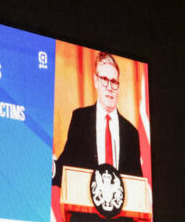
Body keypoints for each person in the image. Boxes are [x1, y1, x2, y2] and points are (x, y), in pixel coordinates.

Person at [52, 53, 143, 189]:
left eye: (114, 82)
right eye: (104, 80)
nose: (109, 88)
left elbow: (136, 183)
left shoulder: (131, 133)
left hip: (121, 210)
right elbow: (67, 167)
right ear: (96, 81)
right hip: (84, 207)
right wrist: (51, 168)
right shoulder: (80, 119)